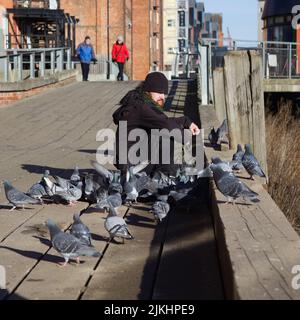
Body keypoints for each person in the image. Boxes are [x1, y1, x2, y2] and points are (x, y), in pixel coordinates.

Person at [113, 72, 200, 176]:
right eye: (159, 92)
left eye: (164, 93)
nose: (162, 97)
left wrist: (186, 121)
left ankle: (166, 173)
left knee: (164, 131)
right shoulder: (142, 107)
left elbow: (162, 121)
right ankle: (167, 177)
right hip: (131, 165)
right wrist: (189, 142)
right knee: (169, 136)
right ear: (148, 91)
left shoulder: (139, 103)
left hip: (128, 160)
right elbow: (166, 125)